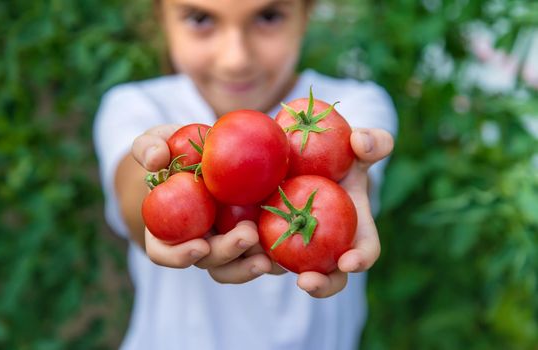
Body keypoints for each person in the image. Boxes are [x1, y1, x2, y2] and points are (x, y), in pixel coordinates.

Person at [93, 0, 397, 349]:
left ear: (306, 15)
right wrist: (164, 198)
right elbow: (134, 199)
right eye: (200, 18)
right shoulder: (135, 105)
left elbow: (357, 181)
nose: (236, 59)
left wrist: (352, 176)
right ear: (161, 17)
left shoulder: (352, 106)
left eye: (268, 16)